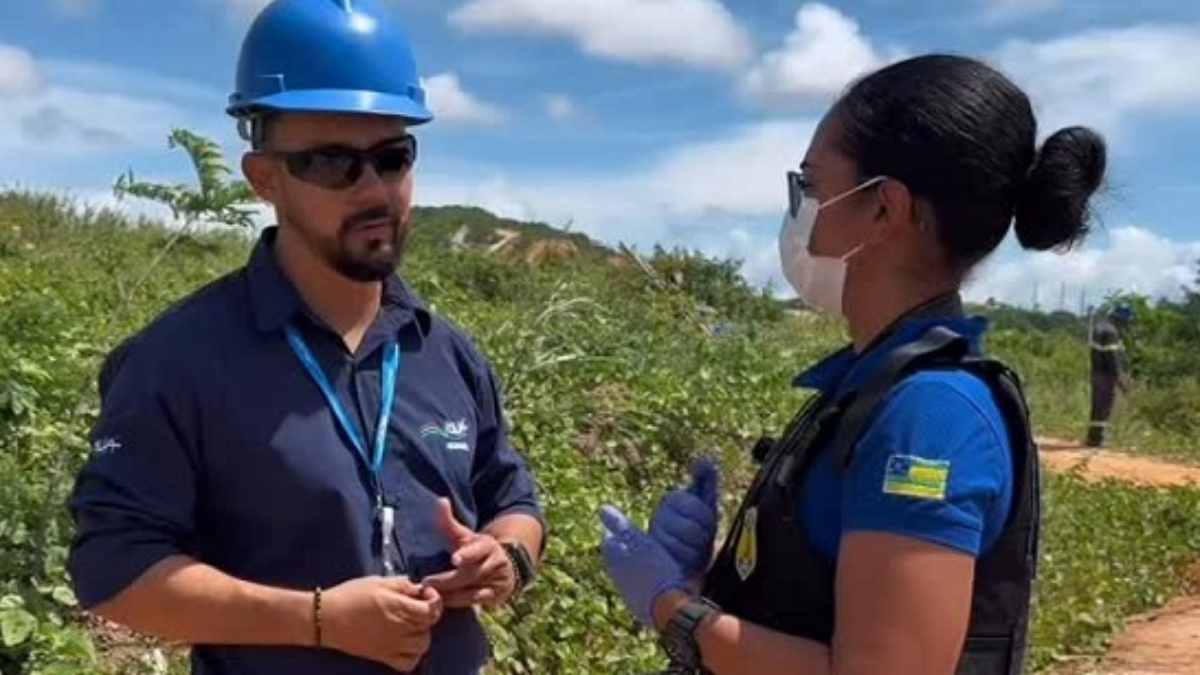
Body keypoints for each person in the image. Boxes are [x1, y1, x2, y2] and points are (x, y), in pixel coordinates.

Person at [67, 1, 545, 673]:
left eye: (392, 156)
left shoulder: (446, 354)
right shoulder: (177, 362)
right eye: (333, 163)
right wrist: (315, 619)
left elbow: (514, 498)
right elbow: (114, 569)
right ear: (265, 179)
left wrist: (507, 557)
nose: (374, 189)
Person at [599, 54, 1106, 674]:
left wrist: (673, 609)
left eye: (811, 186)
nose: (799, 214)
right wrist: (719, 575)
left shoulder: (933, 417)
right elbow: (824, 613)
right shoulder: (870, 386)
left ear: (884, 209)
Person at [1086, 305, 1133, 448]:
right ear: (1120, 319)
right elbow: (1112, 358)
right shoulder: (1111, 332)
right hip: (1106, 375)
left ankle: (1093, 437)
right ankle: (1098, 439)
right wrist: (1120, 379)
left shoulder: (1099, 328)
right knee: (1104, 406)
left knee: (1097, 405)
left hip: (1096, 372)